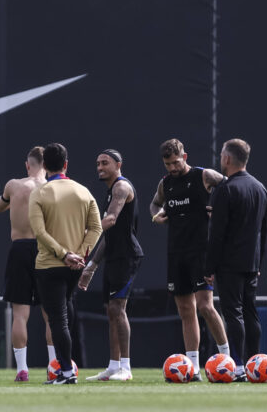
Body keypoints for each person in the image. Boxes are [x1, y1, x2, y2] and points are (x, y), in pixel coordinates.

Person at [150, 139, 230, 380]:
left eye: (176, 162)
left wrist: (218, 206)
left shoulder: (204, 176)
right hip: (176, 253)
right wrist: (157, 216)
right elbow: (154, 203)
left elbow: (231, 188)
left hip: (201, 252)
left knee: (205, 306)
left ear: (185, 156)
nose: (172, 168)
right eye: (168, 164)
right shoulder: (166, 183)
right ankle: (193, 367)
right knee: (186, 310)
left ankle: (227, 359)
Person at [28, 143, 102, 385]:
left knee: (58, 319)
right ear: (66, 164)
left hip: (50, 266)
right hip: (74, 267)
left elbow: (39, 232)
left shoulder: (39, 193)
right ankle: (66, 369)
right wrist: (78, 255)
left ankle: (67, 372)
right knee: (66, 312)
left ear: (45, 166)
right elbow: (96, 228)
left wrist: (63, 254)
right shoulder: (83, 191)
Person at [206, 138, 267, 381]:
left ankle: (239, 365)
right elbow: (264, 231)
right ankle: (255, 362)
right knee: (250, 311)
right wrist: (259, 263)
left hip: (229, 263)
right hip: (251, 262)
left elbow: (217, 233)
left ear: (227, 159)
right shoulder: (260, 188)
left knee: (233, 313)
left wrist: (209, 266)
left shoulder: (226, 189)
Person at [80, 149, 143, 382]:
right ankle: (113, 366)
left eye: (105, 163)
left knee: (118, 309)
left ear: (118, 164)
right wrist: (92, 266)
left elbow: (110, 220)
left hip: (127, 256)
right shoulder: (109, 191)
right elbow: (109, 235)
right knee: (111, 311)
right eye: (97, 163)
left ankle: (125, 368)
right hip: (113, 256)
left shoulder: (121, 187)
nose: (100, 167)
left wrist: (81, 233)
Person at [0, 146, 56, 382]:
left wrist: (13, 202)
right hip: (45, 249)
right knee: (50, 313)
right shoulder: (52, 188)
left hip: (20, 249)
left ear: (27, 164)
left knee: (20, 314)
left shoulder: (14, 185)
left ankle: (22, 369)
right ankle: (54, 366)